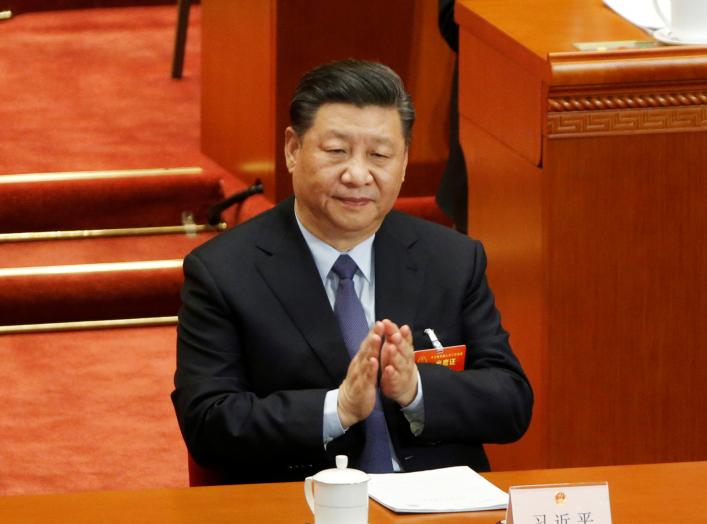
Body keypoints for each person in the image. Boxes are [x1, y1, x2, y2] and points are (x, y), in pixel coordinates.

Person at [172, 59, 532, 484]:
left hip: (438, 506)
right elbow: (208, 423)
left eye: (379, 155)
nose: (358, 174)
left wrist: (416, 392)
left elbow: (511, 403)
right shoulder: (223, 272)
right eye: (337, 151)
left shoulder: (452, 258)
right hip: (303, 504)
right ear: (292, 149)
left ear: (403, 162)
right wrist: (337, 408)